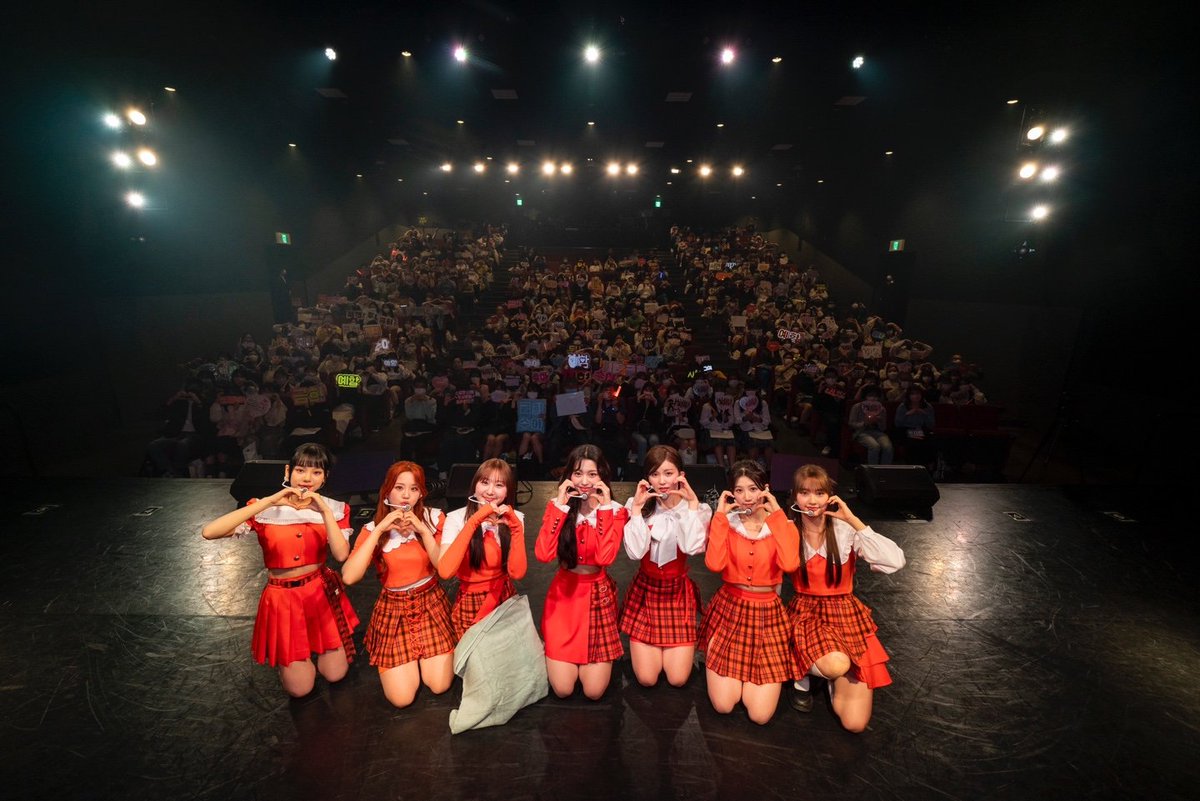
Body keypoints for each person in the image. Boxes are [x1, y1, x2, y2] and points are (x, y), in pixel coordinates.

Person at [200, 443, 357, 697]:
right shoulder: (264, 508)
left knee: (335, 674)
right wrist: (269, 501)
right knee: (301, 689)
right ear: (288, 471)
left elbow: (341, 555)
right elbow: (209, 532)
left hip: (320, 594)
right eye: (301, 470)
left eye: (316, 472)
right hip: (283, 598)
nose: (307, 478)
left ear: (325, 477)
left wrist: (325, 511)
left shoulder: (336, 509)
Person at [785, 464, 905, 732]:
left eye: (819, 493)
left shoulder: (844, 529)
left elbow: (895, 561)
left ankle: (829, 675)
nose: (812, 500)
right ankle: (803, 676)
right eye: (805, 492)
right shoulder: (788, 530)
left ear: (830, 496)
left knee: (855, 724)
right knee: (835, 663)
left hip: (845, 614)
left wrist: (853, 520)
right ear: (795, 496)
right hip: (806, 614)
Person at [341, 461, 456, 708]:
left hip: (431, 604)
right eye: (399, 488)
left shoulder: (434, 518)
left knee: (439, 685)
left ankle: (424, 659)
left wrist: (423, 531)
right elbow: (349, 576)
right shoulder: (373, 529)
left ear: (421, 493)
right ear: (387, 492)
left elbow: (444, 569)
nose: (406, 495)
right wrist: (379, 530)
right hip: (394, 610)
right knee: (401, 699)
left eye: (414, 489)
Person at [699, 459, 799, 724]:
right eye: (739, 490)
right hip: (730, 609)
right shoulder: (726, 524)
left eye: (753, 489)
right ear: (731, 493)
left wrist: (777, 516)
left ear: (765, 489)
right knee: (723, 705)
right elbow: (714, 565)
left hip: (767, 615)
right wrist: (720, 517)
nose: (747, 497)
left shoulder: (783, 525)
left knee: (760, 715)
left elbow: (790, 564)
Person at [534, 444, 629, 700]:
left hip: (598, 599)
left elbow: (606, 557)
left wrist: (605, 508)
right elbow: (543, 554)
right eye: (578, 473)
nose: (584, 481)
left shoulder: (615, 511)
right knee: (563, 690)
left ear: (603, 476)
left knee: (594, 692)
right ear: (568, 476)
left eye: (592, 474)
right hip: (563, 600)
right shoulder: (559, 507)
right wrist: (560, 505)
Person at [620, 445, 712, 687]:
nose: (662, 481)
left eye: (668, 473)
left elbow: (692, 547)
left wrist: (691, 506)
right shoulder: (638, 505)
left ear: (681, 475)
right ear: (647, 478)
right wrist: (636, 511)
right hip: (646, 591)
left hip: (677, 592)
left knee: (678, 679)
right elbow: (634, 553)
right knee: (647, 679)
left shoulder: (697, 509)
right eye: (655, 474)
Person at [437, 459, 527, 638]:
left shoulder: (515, 517)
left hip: (504, 599)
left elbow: (517, 573)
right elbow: (445, 571)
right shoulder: (456, 518)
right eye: (484, 482)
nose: (490, 491)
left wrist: (516, 529)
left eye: (499, 485)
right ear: (475, 486)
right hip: (471, 602)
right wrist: (474, 521)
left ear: (508, 491)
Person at [847, 384, 894, 465]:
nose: (873, 398)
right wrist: (864, 423)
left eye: (875, 396)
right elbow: (851, 423)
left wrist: (878, 421)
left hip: (877, 432)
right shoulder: (857, 407)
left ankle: (884, 469)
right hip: (861, 432)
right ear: (865, 396)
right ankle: (872, 469)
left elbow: (883, 428)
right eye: (870, 396)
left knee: (888, 447)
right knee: (874, 446)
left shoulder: (882, 409)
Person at [894, 386, 937, 470]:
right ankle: (913, 468)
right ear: (909, 396)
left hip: (922, 429)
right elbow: (898, 423)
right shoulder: (902, 406)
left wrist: (924, 414)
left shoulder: (928, 406)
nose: (916, 396)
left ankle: (927, 467)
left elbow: (931, 424)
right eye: (913, 394)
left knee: (930, 441)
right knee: (912, 443)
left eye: (918, 394)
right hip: (905, 430)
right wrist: (907, 414)